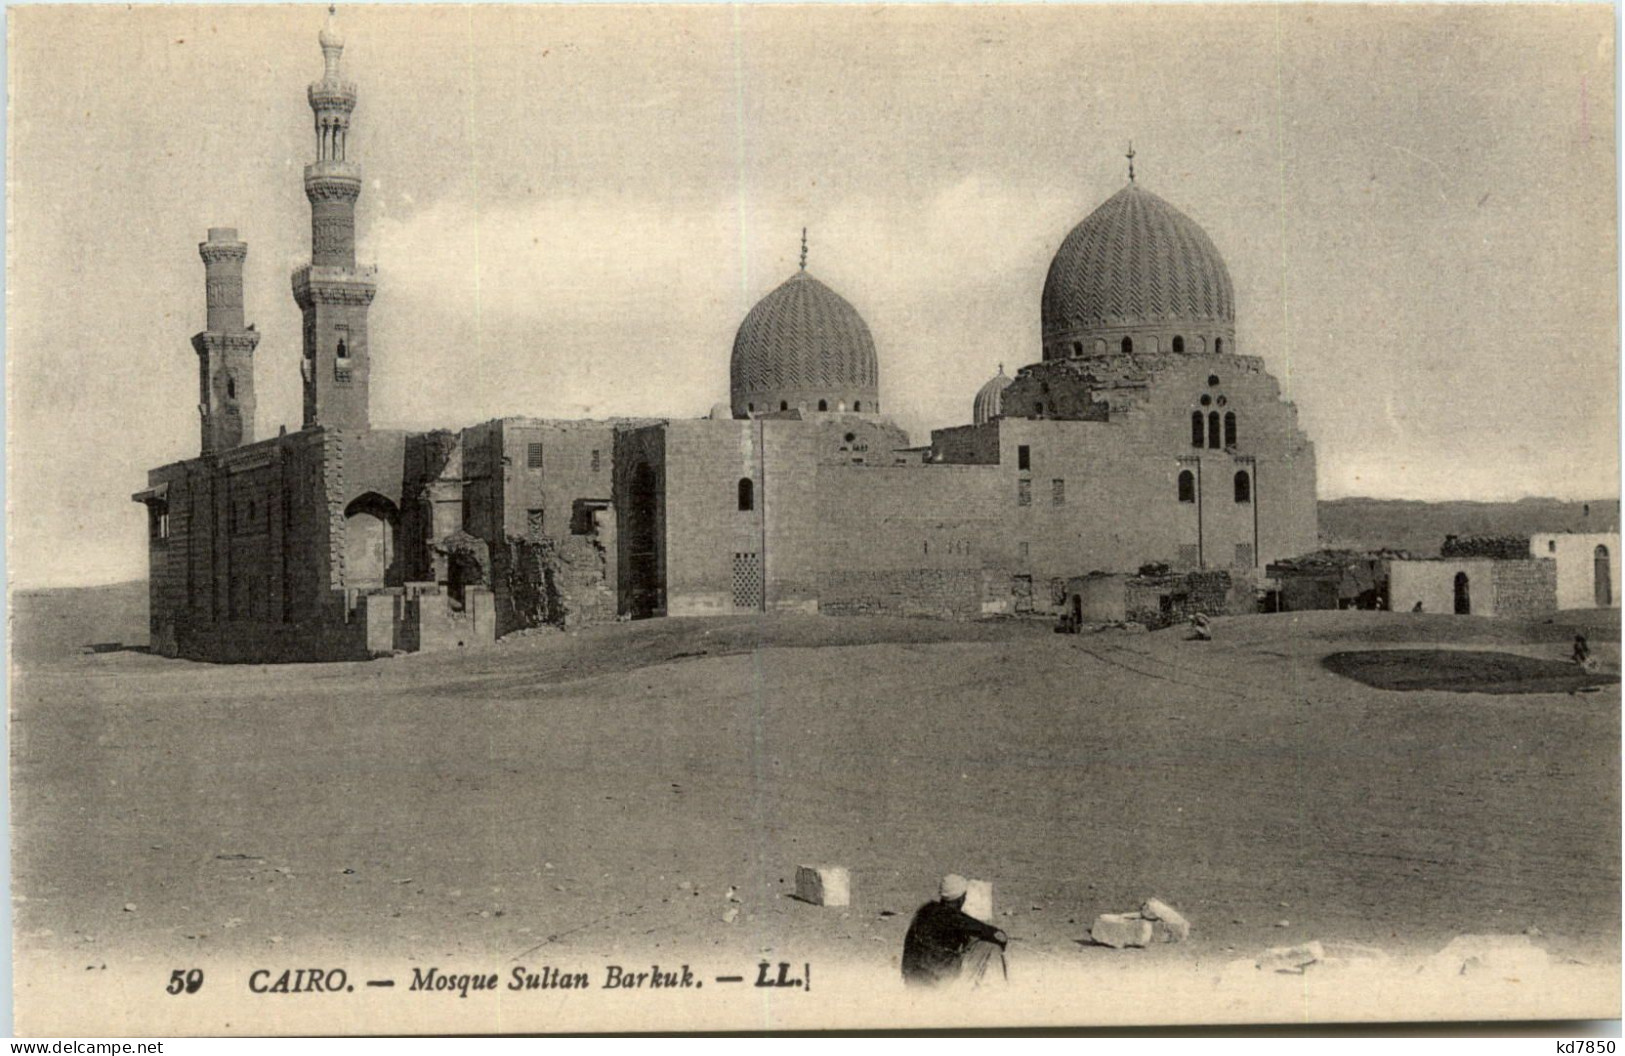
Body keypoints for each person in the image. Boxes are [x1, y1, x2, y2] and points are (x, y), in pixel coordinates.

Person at [901, 874, 1008, 988]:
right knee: (988, 946)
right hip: (936, 981)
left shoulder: (926, 910)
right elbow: (996, 935)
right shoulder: (954, 918)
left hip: (911, 976)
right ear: (961, 898)